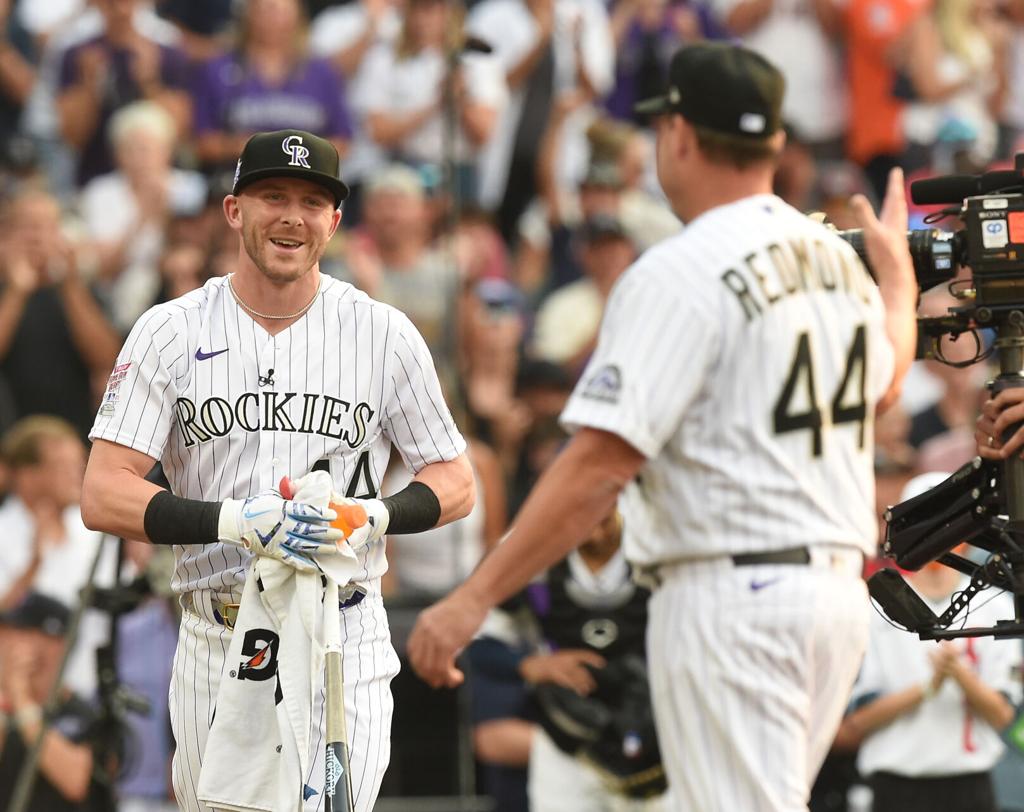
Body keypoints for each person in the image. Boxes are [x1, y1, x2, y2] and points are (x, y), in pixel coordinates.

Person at [407, 41, 918, 812]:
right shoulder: (833, 258)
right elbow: (880, 394)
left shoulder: (679, 267)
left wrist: (475, 597)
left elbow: (599, 466)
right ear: (775, 142)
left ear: (677, 134)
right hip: (833, 600)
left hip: (732, 593)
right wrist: (901, 289)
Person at [79, 128, 475, 812]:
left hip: (339, 633)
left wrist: (372, 514)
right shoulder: (170, 330)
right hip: (216, 634)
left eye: (312, 200)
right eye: (273, 196)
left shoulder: (383, 333)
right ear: (235, 211)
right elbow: (102, 492)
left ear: (335, 221)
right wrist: (234, 521)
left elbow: (457, 478)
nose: (293, 215)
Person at [840, 474, 1021, 812]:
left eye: (951, 527)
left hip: (971, 788)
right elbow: (855, 723)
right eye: (927, 529)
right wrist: (927, 688)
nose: (940, 541)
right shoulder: (871, 609)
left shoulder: (997, 604)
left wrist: (959, 675)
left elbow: (1002, 715)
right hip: (896, 787)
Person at [0, 592, 114, 812]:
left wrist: (23, 699)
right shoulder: (6, 706)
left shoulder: (83, 712)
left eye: (17, 632)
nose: (5, 641)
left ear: (54, 644)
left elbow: (77, 781)